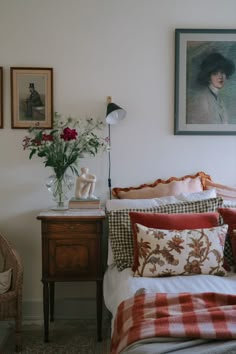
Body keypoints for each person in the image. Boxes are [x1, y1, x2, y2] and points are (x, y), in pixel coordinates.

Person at [187, 52, 235, 124]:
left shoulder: (220, 100)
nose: (220, 77)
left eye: (222, 72)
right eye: (215, 73)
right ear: (208, 77)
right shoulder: (202, 99)